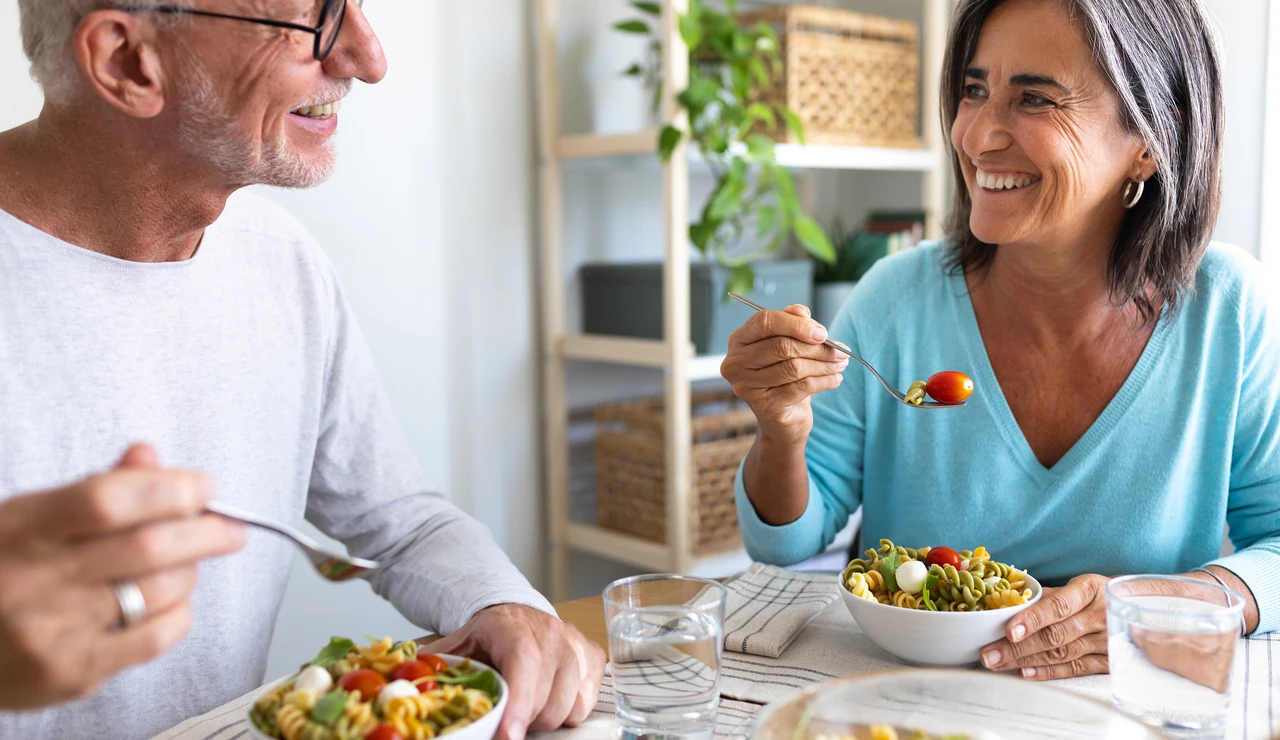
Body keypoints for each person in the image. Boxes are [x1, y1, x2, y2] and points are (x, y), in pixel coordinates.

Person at [0, 1, 604, 737]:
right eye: (310, 16)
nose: (367, 56)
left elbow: (400, 522)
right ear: (128, 61)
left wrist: (501, 604)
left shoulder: (277, 258)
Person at [722, 0, 1280, 681]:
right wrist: (781, 431)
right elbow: (787, 543)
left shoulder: (1228, 311)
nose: (977, 135)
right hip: (915, 709)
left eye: (1035, 99)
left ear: (1152, 140)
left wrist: (1155, 605)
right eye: (974, 90)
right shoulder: (895, 300)